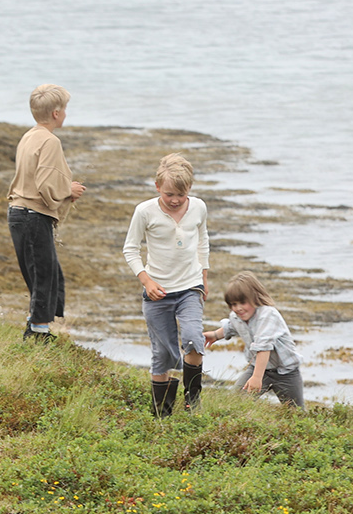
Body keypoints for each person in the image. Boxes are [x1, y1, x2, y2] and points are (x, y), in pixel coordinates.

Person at [122, 153, 210, 416]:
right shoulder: (144, 211)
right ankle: (163, 414)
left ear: (189, 190)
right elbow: (130, 249)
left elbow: (203, 240)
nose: (174, 200)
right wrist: (146, 281)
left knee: (194, 340)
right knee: (163, 355)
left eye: (180, 195)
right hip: (158, 293)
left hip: (190, 288)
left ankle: (192, 401)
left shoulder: (199, 207)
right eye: (169, 194)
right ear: (157, 186)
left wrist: (204, 276)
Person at [7, 83, 89, 341]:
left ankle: (36, 326)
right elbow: (46, 183)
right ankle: (38, 334)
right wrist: (69, 190)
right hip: (32, 214)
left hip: (19, 212)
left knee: (47, 272)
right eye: (64, 109)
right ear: (56, 113)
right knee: (44, 274)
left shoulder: (28, 136)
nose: (65, 113)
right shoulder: (50, 141)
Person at [205, 271, 304, 407]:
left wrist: (257, 378)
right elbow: (233, 327)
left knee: (296, 411)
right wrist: (215, 335)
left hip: (286, 372)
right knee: (235, 402)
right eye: (233, 304)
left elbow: (263, 347)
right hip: (256, 368)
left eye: (242, 302)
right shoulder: (237, 316)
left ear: (255, 297)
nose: (238, 308)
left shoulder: (268, 315)